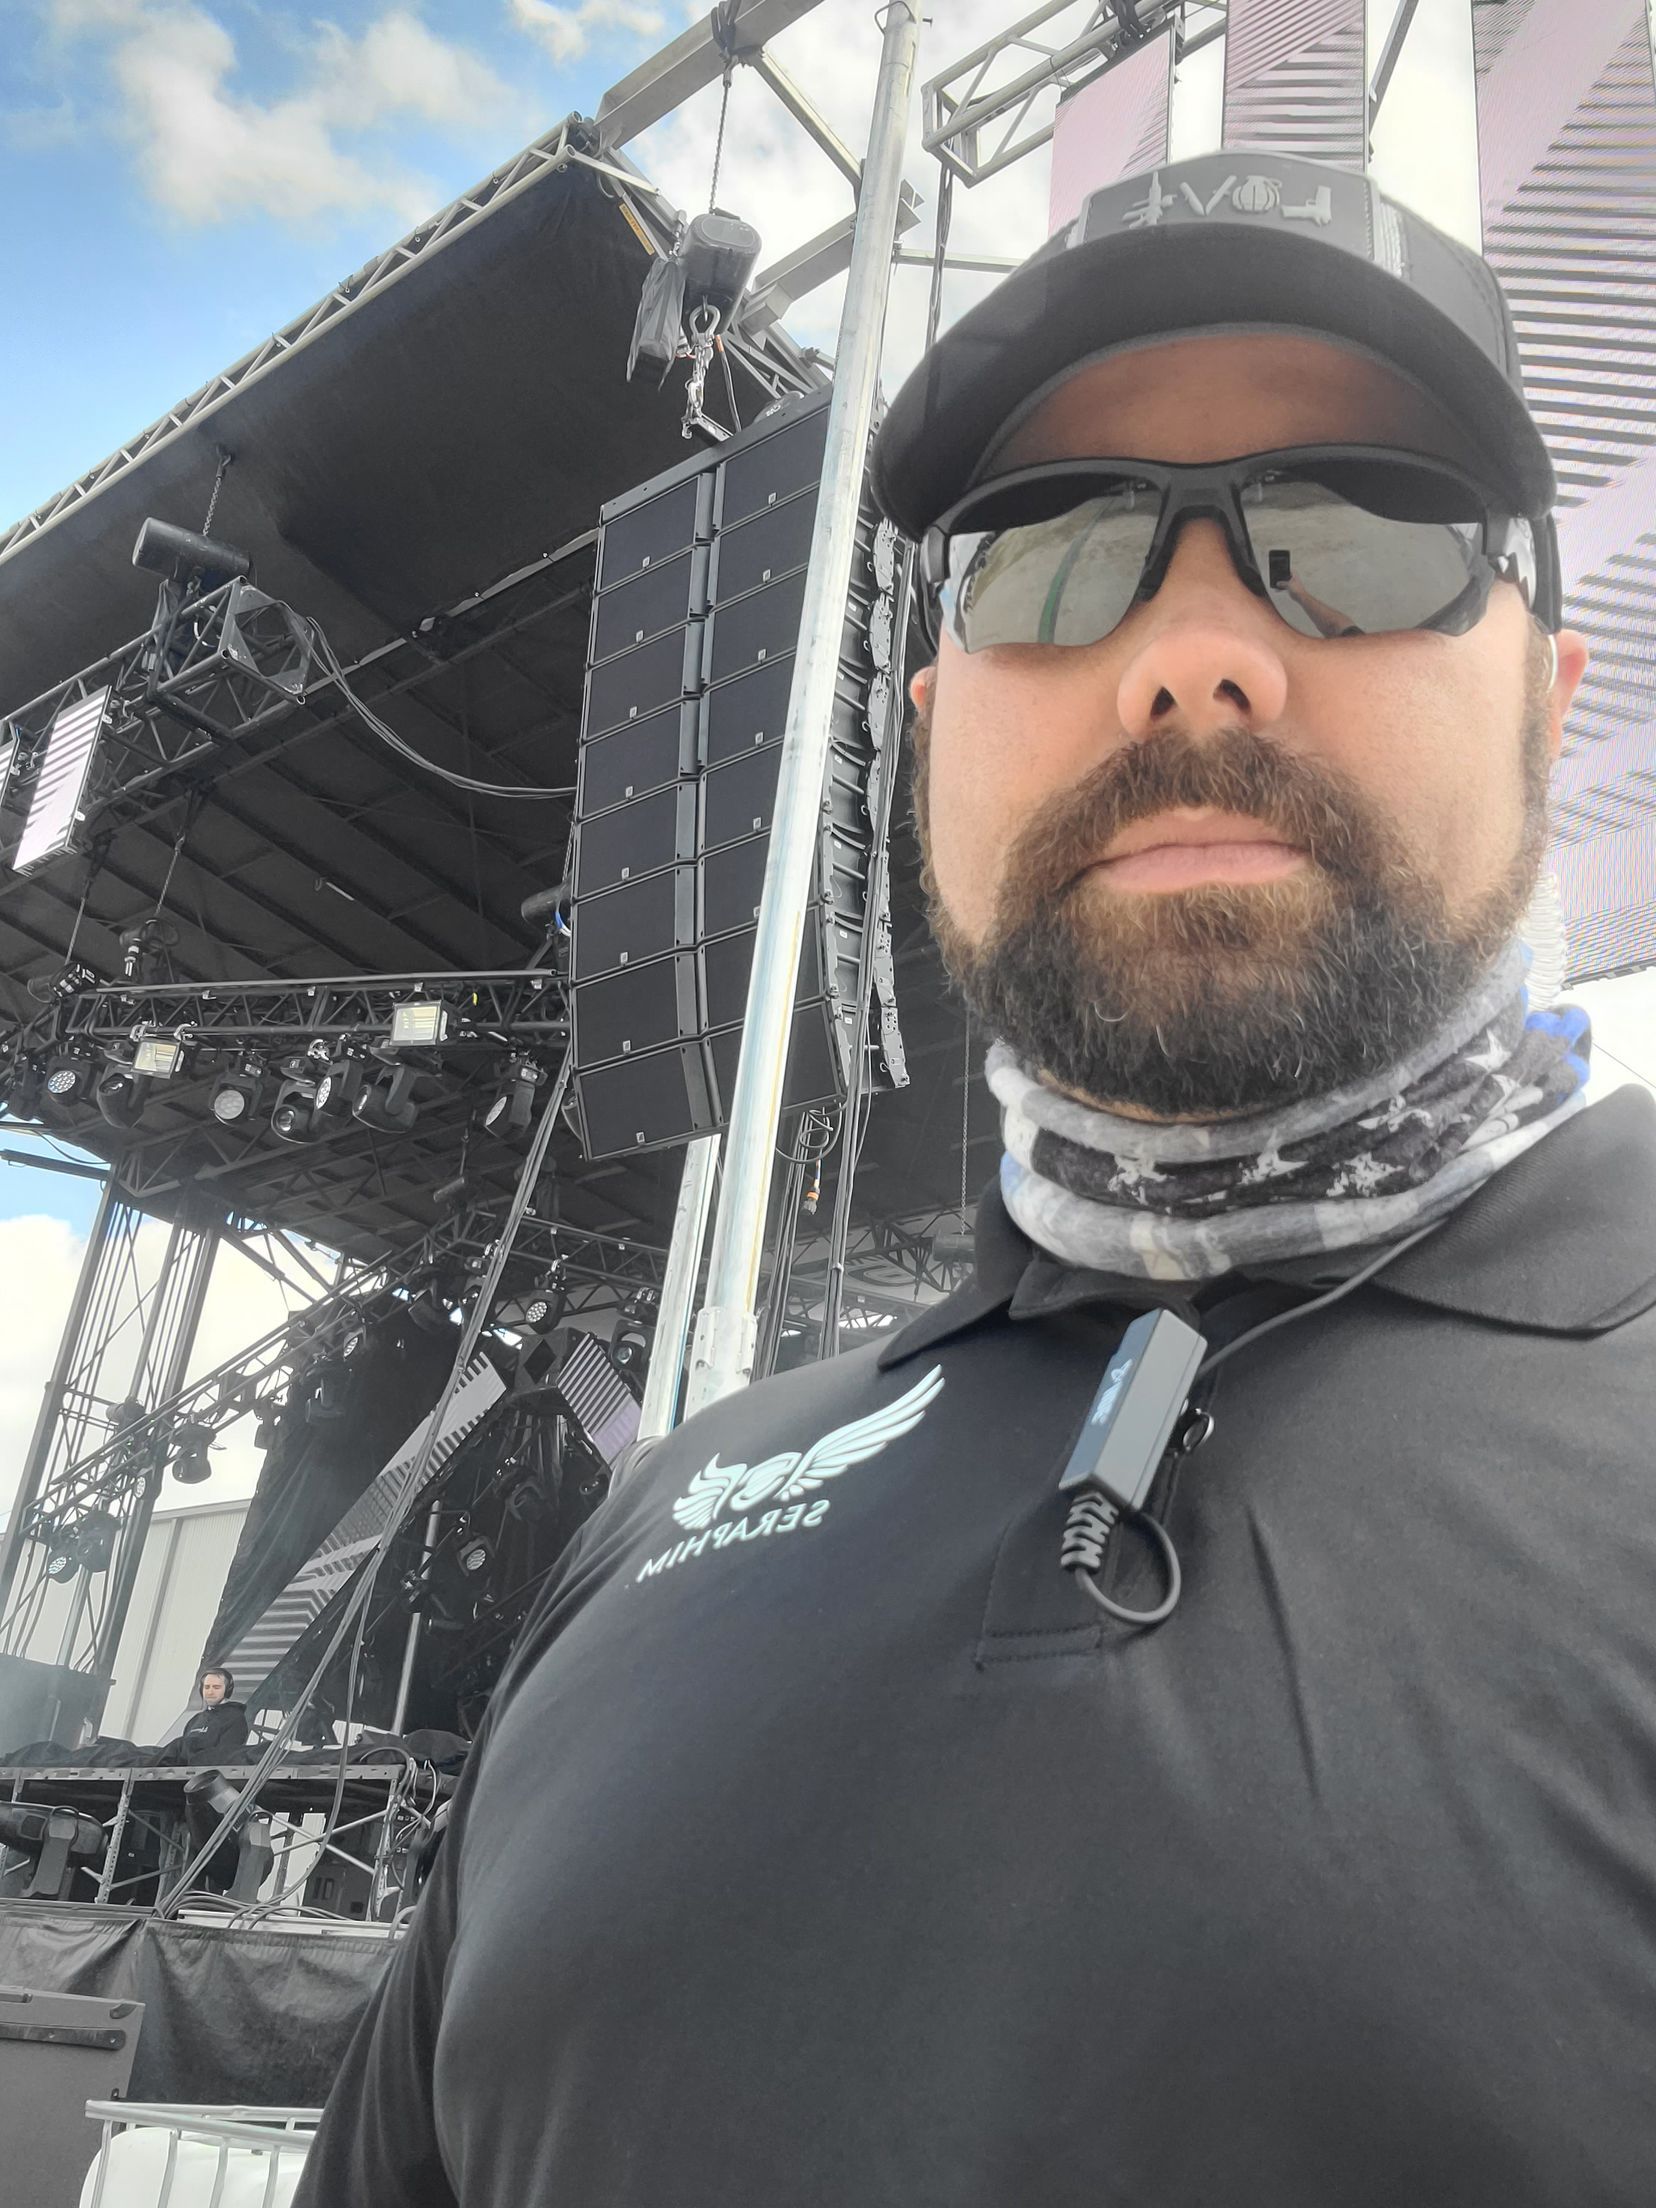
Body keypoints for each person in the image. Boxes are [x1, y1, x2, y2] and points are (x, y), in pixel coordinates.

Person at [294, 150, 1656, 2207]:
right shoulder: (660, 1523)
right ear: (934, 731)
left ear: (1550, 703)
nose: (1194, 663)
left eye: (1363, 534)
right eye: (1051, 558)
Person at [155, 1666, 249, 1768]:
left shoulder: (235, 1718)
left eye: (216, 1687)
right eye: (207, 1687)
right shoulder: (195, 1720)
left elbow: (225, 1757)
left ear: (227, 1690)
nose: (210, 1692)